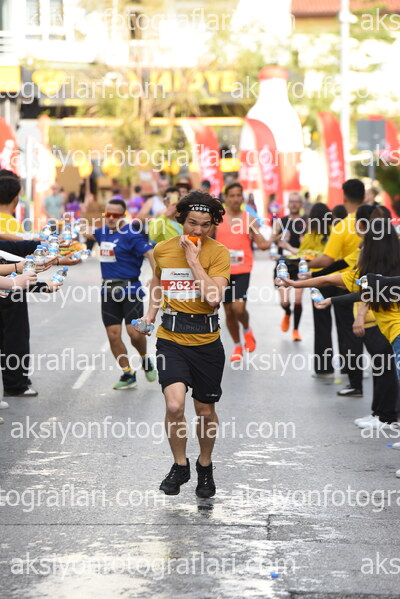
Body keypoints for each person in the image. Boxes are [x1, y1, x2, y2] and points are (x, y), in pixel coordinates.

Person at [141, 191, 230, 497]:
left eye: (205, 225)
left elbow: (213, 298)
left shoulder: (218, 253)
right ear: (181, 220)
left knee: (204, 411)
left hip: (206, 342)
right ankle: (180, 465)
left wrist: (194, 262)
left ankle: (205, 465)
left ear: (213, 224)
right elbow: (157, 284)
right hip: (171, 339)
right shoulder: (162, 250)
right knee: (174, 405)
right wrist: (150, 316)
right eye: (192, 222)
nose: (198, 230)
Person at [85, 198, 157, 389]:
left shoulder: (131, 235)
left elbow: (150, 253)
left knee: (134, 333)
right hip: (108, 290)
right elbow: (87, 232)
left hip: (130, 289)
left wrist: (155, 276)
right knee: (113, 334)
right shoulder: (102, 232)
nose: (111, 218)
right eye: (108, 214)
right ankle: (127, 373)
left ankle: (145, 358)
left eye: (115, 215)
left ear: (123, 215)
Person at [306, 179, 365, 393]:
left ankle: (324, 368)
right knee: (349, 328)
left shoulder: (342, 226)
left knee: (322, 324)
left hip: (330, 279)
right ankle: (351, 369)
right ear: (363, 196)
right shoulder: (372, 221)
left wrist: (306, 267)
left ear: (345, 197)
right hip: (355, 283)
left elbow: (327, 259)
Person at [215, 182, 270, 361]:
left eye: (239, 195)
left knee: (238, 308)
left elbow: (262, 244)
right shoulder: (218, 218)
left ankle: (247, 329)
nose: (236, 199)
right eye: (232, 195)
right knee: (229, 312)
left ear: (242, 197)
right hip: (222, 271)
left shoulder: (249, 218)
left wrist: (274, 238)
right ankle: (237, 345)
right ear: (226, 198)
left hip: (243, 269)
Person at [271, 192, 305, 341]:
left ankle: (296, 330)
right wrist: (278, 238)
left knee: (298, 299)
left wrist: (293, 245)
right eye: (291, 201)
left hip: (299, 265)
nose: (294, 204)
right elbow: (271, 241)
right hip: (282, 265)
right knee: (284, 301)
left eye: (297, 201)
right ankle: (287, 313)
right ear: (288, 204)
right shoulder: (280, 222)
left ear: (301, 204)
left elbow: (308, 249)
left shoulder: (305, 223)